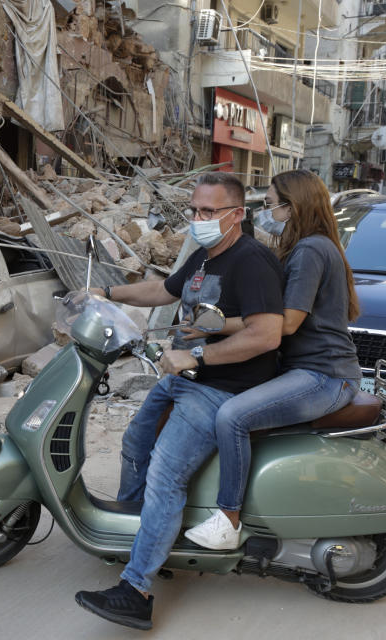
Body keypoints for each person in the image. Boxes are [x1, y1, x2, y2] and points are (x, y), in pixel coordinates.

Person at [74, 172, 285, 630]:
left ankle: (136, 589)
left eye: (209, 212)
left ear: (236, 215)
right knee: (135, 445)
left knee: (166, 472)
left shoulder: (252, 261)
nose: (199, 219)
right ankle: (136, 539)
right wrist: (105, 293)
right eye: (194, 210)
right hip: (187, 376)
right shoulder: (206, 257)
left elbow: (266, 334)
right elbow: (163, 291)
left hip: (222, 388)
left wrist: (195, 354)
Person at [182, 170, 362, 550]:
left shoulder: (311, 250)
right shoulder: (309, 246)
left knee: (232, 415)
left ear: (290, 206)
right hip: (310, 369)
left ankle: (228, 519)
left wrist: (214, 328)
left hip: (324, 374)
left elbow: (285, 323)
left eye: (269, 204)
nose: (265, 212)